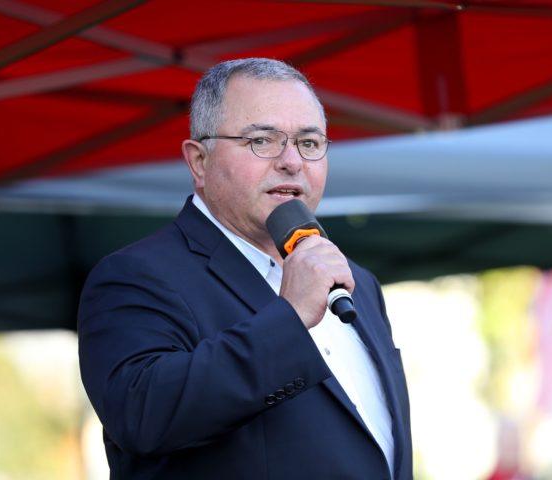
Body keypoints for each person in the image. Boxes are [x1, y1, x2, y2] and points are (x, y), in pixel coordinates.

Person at [78, 57, 412, 479]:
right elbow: (144, 416)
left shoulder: (354, 281)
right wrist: (289, 319)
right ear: (199, 161)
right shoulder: (135, 277)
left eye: (309, 143)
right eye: (263, 140)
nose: (292, 161)